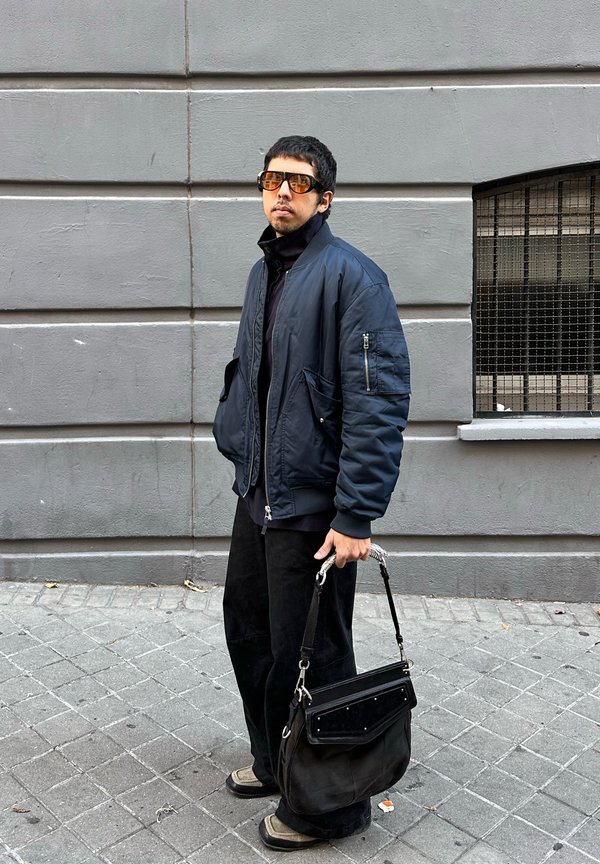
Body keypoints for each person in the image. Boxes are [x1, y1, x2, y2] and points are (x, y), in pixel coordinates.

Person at [213, 135, 410, 851]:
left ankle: (331, 806)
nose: (284, 192)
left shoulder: (354, 278)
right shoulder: (264, 273)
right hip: (258, 492)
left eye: (299, 182)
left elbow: (377, 400)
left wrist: (356, 513)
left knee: (316, 654)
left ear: (325, 197)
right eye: (273, 180)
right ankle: (277, 761)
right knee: (253, 634)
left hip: (315, 509)